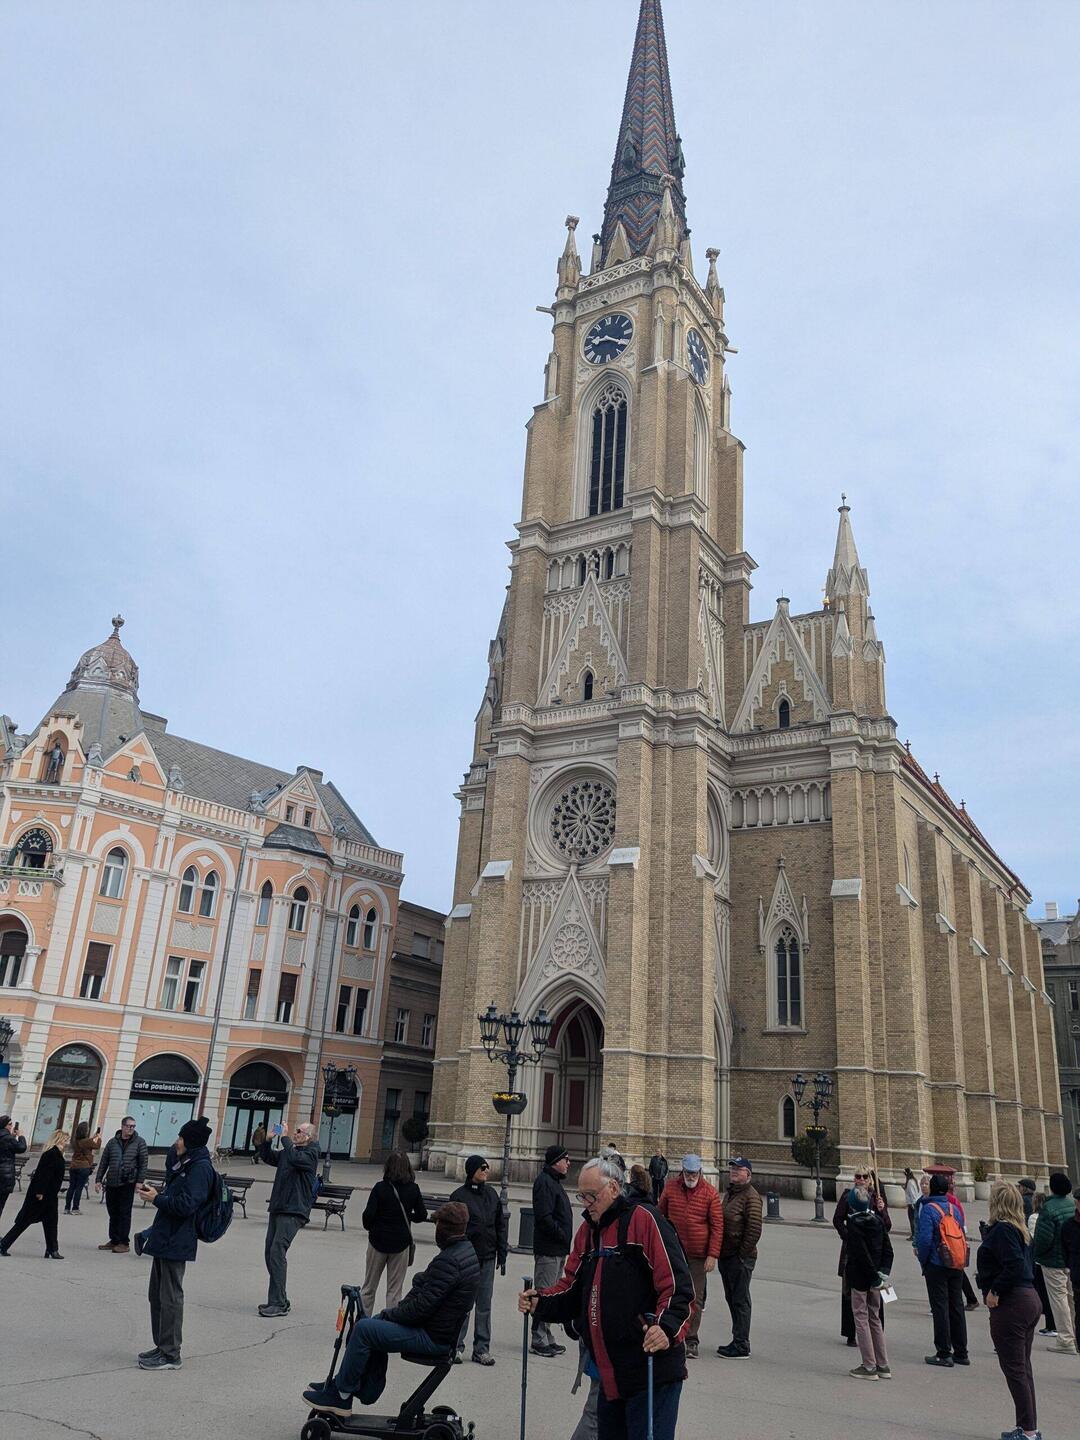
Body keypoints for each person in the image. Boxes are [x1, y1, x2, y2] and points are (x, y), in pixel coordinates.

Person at [519, 1155, 694, 1440]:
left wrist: (666, 1327)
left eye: (591, 1195)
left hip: (650, 1373)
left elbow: (678, 1287)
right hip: (610, 1374)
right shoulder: (588, 1232)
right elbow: (571, 1287)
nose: (586, 1203)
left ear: (613, 1188)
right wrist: (541, 1301)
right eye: (581, 1196)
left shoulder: (644, 1220)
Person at [302, 1202, 480, 1418]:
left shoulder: (449, 1261)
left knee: (364, 1329)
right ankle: (342, 1384)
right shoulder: (464, 1252)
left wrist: (390, 1314)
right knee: (373, 1323)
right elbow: (425, 1291)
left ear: (445, 1228)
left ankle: (341, 1395)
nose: (436, 1230)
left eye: (437, 1225)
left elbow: (419, 1310)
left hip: (433, 1338)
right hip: (441, 1332)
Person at [133, 1115, 215, 1371]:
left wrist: (157, 1199)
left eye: (180, 1138)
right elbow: (172, 1171)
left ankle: (170, 1354)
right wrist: (158, 1195)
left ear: (190, 1142)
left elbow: (187, 1205)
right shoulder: (186, 1162)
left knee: (170, 1298)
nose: (176, 1142)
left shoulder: (200, 1169)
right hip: (165, 1235)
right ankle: (161, 1345)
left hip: (178, 1239)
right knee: (156, 1296)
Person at [976, 1181, 1043, 1440]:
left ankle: (1028, 1431)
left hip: (1013, 1302)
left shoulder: (1004, 1230)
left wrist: (995, 1290)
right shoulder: (1019, 1230)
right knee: (1023, 1368)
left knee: (1015, 1370)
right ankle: (1028, 1426)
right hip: (1027, 1298)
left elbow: (1013, 1265)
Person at [658, 1153, 723, 1360]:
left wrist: (712, 1255)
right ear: (682, 1171)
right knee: (670, 1294)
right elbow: (660, 1215)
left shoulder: (710, 1193)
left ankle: (691, 1339)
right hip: (675, 1252)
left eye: (694, 1173)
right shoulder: (671, 1188)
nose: (691, 1176)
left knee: (695, 1298)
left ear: (700, 1172)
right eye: (688, 1173)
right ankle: (671, 1334)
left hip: (697, 1255)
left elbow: (717, 1226)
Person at [258, 1119, 320, 1317]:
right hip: (279, 1206)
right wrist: (268, 1140)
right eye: (295, 1130)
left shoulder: (311, 1153)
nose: (295, 1133)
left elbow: (295, 1159)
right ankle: (281, 1300)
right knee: (270, 1252)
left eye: (299, 1131)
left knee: (277, 1251)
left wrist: (284, 1138)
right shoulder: (290, 1151)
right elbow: (268, 1157)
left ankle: (277, 1303)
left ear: (308, 1137)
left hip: (294, 1210)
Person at [449, 1154, 506, 1365]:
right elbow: (450, 1228)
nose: (486, 1171)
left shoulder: (492, 1194)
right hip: (466, 1258)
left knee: (484, 1304)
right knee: (463, 1303)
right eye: (482, 1168)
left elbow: (500, 1225)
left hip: (488, 1256)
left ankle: (481, 1349)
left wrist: (502, 1252)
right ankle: (455, 1346)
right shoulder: (459, 1196)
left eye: (487, 1167)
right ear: (472, 1170)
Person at [360, 1151, 428, 1320]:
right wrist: (408, 1216)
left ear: (388, 1167)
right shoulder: (413, 1189)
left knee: (368, 1287)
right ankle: (390, 1325)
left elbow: (368, 1215)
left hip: (378, 1240)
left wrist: (372, 1227)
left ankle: (362, 1322)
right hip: (401, 1243)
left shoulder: (380, 1188)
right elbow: (422, 1214)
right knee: (394, 1291)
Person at [834, 1163, 892, 1346]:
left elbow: (886, 1227)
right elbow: (837, 1219)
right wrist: (847, 1236)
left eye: (864, 1177)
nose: (860, 1180)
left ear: (870, 1180)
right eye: (858, 1176)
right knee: (851, 1293)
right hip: (852, 1252)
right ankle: (851, 1333)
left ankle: (876, 1332)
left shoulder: (876, 1198)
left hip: (873, 1252)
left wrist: (882, 1211)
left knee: (875, 1296)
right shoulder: (848, 1196)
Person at [916, 1172, 969, 1366]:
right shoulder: (954, 1208)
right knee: (956, 1306)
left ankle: (944, 1352)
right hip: (955, 1261)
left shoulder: (929, 1209)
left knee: (940, 1307)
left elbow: (924, 1240)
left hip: (937, 1263)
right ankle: (961, 1351)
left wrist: (924, 1261)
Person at [844, 1186, 893, 1380]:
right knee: (875, 1318)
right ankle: (883, 1364)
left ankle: (869, 1365)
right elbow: (888, 1250)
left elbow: (861, 1254)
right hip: (877, 1277)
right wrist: (883, 1273)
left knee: (861, 1318)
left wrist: (874, 1276)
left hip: (861, 1277)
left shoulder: (854, 1223)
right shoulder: (877, 1221)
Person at [716, 1156, 762, 1359]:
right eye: (732, 1168)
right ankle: (737, 1339)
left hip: (739, 1257)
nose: (734, 1171)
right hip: (727, 1255)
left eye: (739, 1169)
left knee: (740, 1300)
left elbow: (754, 1229)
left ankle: (742, 1344)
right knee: (732, 1298)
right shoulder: (732, 1193)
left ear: (748, 1174)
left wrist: (741, 1255)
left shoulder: (751, 1196)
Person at [0, 1127, 68, 1258]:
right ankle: (4, 1244)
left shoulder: (57, 1154)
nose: (66, 1143)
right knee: (24, 1221)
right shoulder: (51, 1154)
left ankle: (52, 1249)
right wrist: (40, 1192)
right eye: (65, 1140)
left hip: (50, 1195)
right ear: (59, 1140)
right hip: (42, 1195)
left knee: (51, 1223)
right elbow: (43, 1175)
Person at [531, 1144, 573, 1357]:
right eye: (566, 1159)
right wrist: (561, 1234)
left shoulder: (553, 1181)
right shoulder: (545, 1182)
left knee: (551, 1294)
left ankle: (547, 1335)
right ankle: (538, 1339)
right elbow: (544, 1217)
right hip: (549, 1248)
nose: (569, 1163)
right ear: (556, 1161)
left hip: (557, 1249)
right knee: (543, 1293)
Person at [1032, 1170, 1077, 1354]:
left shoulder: (1049, 1209)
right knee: (1071, 1298)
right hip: (1070, 1259)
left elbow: (1043, 1238)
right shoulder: (1072, 1204)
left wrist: (1036, 1254)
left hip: (1053, 1260)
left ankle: (1066, 1339)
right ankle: (1075, 1334)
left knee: (1059, 1299)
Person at [95, 1115, 149, 1253]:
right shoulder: (112, 1142)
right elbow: (104, 1161)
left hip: (128, 1182)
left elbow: (143, 1163)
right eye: (129, 1126)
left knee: (124, 1213)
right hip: (112, 1181)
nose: (131, 1129)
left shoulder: (140, 1142)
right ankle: (114, 1239)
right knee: (113, 1212)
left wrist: (139, 1181)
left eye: (133, 1126)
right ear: (122, 1126)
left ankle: (124, 1242)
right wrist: (98, 1180)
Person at [1028, 1192, 1057, 1337]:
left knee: (1046, 1295)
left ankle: (1051, 1326)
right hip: (1054, 1259)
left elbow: (1036, 1239)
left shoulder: (1034, 1218)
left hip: (1042, 1260)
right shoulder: (1051, 1215)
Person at [66, 1121, 101, 1216]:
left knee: (71, 1187)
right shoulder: (87, 1142)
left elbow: (84, 1143)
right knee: (79, 1188)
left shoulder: (74, 1141)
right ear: (85, 1131)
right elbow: (97, 1146)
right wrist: (98, 1138)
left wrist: (93, 1137)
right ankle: (75, 1208)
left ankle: (67, 1207)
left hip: (74, 1166)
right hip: (83, 1166)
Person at [0, 1116, 28, 1224]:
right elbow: (21, 1147)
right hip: (4, 1176)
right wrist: (21, 1136)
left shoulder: (7, 1138)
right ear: (5, 1125)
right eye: (10, 1124)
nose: (12, 1126)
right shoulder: (8, 1138)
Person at [903, 1167, 920, 1239]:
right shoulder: (915, 1181)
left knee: (912, 1220)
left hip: (912, 1203)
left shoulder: (910, 1182)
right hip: (915, 1202)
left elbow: (912, 1194)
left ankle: (914, 1235)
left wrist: (913, 1204)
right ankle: (915, 1234)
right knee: (914, 1219)